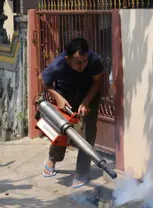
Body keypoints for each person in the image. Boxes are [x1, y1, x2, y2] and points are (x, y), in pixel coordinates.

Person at [39, 37, 104, 188]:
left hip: (89, 95)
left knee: (89, 132)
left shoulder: (93, 61)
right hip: (65, 97)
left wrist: (87, 101)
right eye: (78, 62)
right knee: (61, 130)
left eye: (85, 61)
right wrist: (58, 97)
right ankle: (52, 158)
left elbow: (97, 81)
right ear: (68, 60)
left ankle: (82, 172)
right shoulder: (58, 65)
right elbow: (43, 80)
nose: (83, 65)